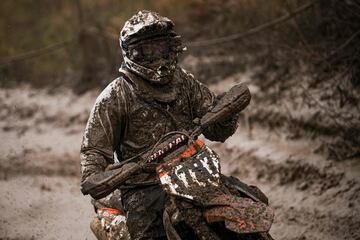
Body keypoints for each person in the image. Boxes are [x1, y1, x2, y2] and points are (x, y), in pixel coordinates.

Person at [80, 10, 240, 240]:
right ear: (132, 52)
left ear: (171, 48)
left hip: (196, 172)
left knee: (247, 199)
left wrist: (225, 116)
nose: (157, 57)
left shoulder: (184, 81)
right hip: (144, 186)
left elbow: (217, 128)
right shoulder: (114, 96)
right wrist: (95, 175)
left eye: (161, 48)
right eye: (147, 50)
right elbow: (94, 150)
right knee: (149, 234)